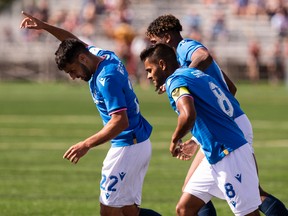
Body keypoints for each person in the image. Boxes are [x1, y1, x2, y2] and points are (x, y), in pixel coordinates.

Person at [20, 11, 161, 216]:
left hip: (128, 146)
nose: (73, 76)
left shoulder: (107, 78)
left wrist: (86, 144)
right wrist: (45, 27)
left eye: (72, 70)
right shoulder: (102, 56)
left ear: (82, 59)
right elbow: (72, 41)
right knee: (129, 212)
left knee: (108, 211)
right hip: (135, 143)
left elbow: (120, 121)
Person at [146, 14, 288, 216]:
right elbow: (231, 87)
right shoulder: (183, 63)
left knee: (249, 197)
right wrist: (198, 136)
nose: (153, 47)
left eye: (154, 41)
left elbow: (203, 56)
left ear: (166, 37)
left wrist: (183, 76)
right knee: (189, 201)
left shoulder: (185, 48)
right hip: (227, 123)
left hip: (229, 129)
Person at [140, 43, 261, 216]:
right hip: (216, 152)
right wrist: (197, 139)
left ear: (162, 64)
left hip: (229, 153)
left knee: (248, 213)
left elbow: (188, 114)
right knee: (185, 208)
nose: (148, 76)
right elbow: (227, 94)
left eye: (149, 70)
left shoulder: (175, 81)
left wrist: (175, 139)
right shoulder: (195, 74)